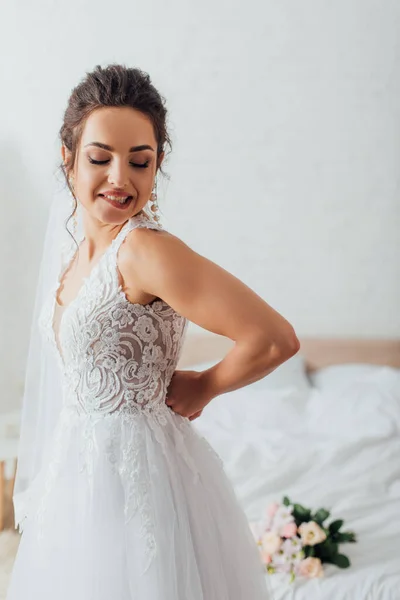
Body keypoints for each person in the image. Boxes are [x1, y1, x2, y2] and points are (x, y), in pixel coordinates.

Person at [7, 64, 299, 599]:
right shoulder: (74, 259)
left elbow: (274, 338)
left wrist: (206, 385)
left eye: (140, 162)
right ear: (68, 159)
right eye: (100, 158)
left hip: (136, 479)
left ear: (156, 164)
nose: (120, 178)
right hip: (78, 478)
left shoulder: (144, 250)